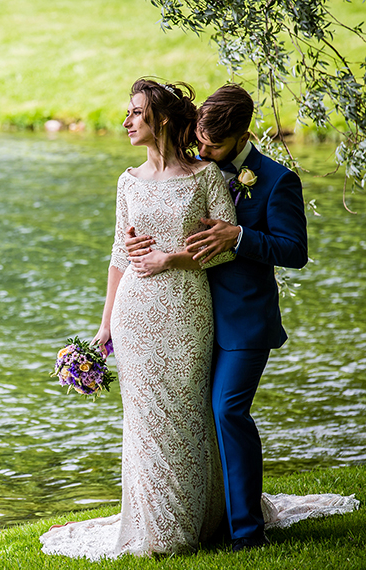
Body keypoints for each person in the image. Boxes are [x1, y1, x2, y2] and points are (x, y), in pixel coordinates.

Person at [121, 84, 358, 553]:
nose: (203, 151)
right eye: (200, 141)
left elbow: (294, 251)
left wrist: (239, 236)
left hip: (243, 320)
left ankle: (247, 530)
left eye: (213, 145)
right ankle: (205, 516)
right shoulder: (194, 168)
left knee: (227, 410)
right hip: (186, 315)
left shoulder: (276, 180)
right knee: (191, 417)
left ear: (242, 137)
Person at [40, 78, 237, 560]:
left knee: (186, 413)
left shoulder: (205, 177)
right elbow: (118, 255)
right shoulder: (127, 181)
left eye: (135, 112)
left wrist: (172, 259)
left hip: (186, 310)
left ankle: (199, 519)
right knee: (144, 421)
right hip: (134, 313)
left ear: (161, 119)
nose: (126, 121)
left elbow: (225, 248)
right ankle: (156, 529)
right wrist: (105, 323)